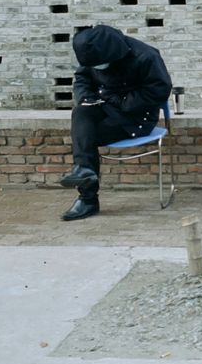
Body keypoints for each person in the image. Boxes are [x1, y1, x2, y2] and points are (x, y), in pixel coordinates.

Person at [58, 25, 172, 221]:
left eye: (100, 64)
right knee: (81, 113)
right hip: (105, 106)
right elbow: (82, 77)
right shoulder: (93, 53)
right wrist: (86, 97)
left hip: (136, 115)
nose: (98, 68)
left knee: (85, 138)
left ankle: (87, 198)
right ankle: (84, 171)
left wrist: (122, 101)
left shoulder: (146, 56)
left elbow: (159, 90)